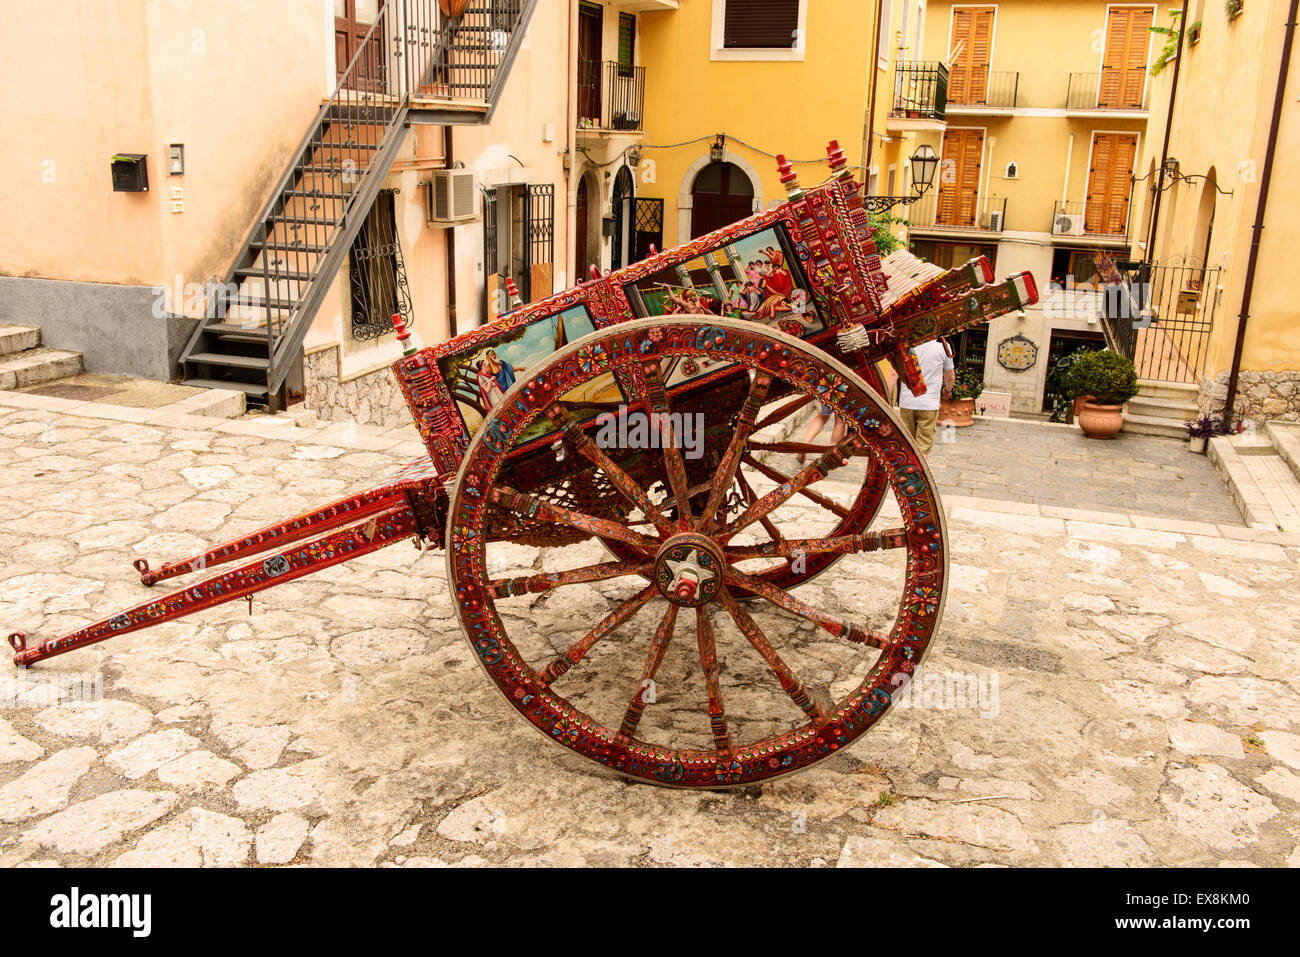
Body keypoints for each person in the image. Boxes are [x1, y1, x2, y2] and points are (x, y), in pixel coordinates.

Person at [887, 339, 955, 456]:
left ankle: (907, 472)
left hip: (907, 403)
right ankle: (917, 473)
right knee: (922, 449)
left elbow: (893, 374)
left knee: (907, 446)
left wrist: (885, 398)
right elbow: (950, 377)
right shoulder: (943, 346)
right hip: (929, 404)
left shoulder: (905, 344)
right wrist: (947, 391)